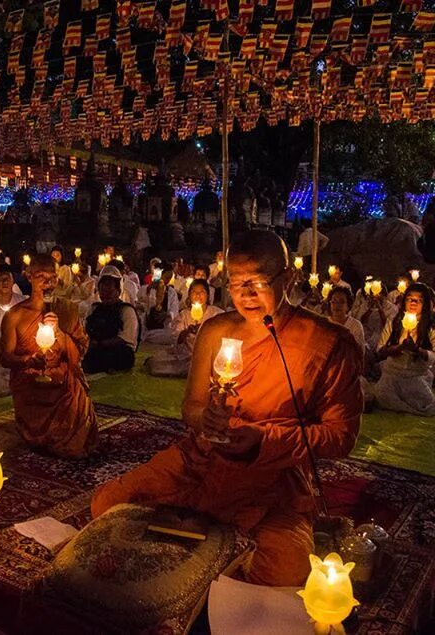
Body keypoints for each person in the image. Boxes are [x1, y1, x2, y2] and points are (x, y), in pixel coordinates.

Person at [92, 230, 364, 586]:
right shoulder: (216, 330)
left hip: (274, 475)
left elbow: (340, 436)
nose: (246, 295)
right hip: (203, 458)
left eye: (259, 282)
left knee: (287, 572)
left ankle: (207, 550)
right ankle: (211, 545)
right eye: (236, 282)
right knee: (106, 504)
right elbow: (190, 408)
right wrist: (205, 418)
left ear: (289, 277)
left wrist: (265, 439)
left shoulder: (328, 341)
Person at [1, 254, 98, 458]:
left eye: (52, 277)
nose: (48, 283)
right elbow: (6, 357)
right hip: (30, 378)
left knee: (74, 443)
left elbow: (80, 352)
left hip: (62, 381)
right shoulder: (15, 315)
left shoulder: (67, 310)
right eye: (41, 277)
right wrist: (28, 360)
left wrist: (60, 334)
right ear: (29, 277)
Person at [373, 283, 435, 415]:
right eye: (409, 299)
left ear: (425, 304)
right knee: (384, 399)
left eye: (418, 300)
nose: (413, 303)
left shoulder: (432, 327)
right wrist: (400, 348)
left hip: (415, 376)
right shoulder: (394, 322)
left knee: (422, 405)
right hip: (392, 374)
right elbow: (380, 349)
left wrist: (418, 350)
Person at [145, 279, 223, 377]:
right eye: (194, 292)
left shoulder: (217, 314)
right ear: (189, 295)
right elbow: (176, 338)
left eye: (202, 292)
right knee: (156, 364)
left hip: (210, 357)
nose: (198, 295)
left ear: (208, 295)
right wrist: (187, 331)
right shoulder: (184, 315)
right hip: (188, 357)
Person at [84, 266, 139, 374]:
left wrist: (100, 343)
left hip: (118, 350)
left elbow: (125, 338)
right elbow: (84, 329)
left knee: (121, 356)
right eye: (103, 290)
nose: (106, 294)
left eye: (110, 291)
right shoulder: (94, 308)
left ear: (118, 291)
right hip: (95, 347)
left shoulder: (126, 310)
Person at [327, 287, 365, 352]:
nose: (337, 305)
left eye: (341, 302)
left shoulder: (355, 326)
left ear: (348, 306)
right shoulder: (325, 323)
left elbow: (359, 352)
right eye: (334, 301)